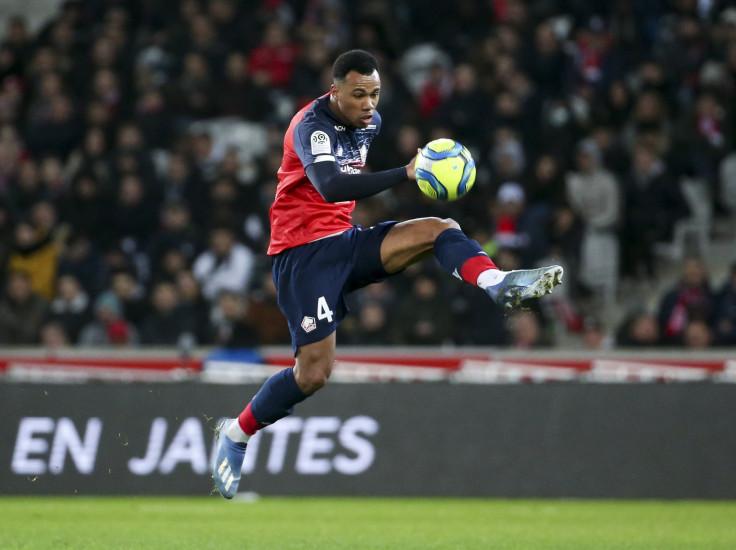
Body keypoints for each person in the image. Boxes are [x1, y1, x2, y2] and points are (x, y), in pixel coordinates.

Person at [212, 50, 563, 499]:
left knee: (440, 230)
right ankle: (236, 434)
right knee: (314, 373)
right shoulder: (310, 126)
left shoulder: (369, 124)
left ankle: (496, 283)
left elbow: (346, 194)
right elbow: (332, 186)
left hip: (344, 241)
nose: (368, 105)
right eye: (358, 94)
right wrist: (407, 172)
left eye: (375, 94)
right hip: (301, 256)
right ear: (334, 90)